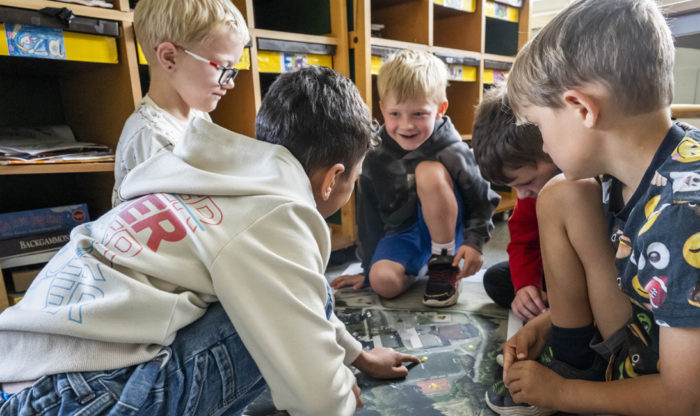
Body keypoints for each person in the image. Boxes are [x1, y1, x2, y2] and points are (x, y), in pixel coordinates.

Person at [0, 66, 420, 416]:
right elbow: (319, 400)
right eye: (354, 178)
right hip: (85, 399)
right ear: (332, 178)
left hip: (18, 382)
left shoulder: (209, 175)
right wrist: (339, 391)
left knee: (280, 290)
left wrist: (357, 357)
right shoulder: (277, 212)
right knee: (277, 306)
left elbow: (298, 298)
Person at [486, 0, 700, 415]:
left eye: (540, 126)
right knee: (561, 194)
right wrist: (550, 322)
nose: (542, 145)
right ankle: (576, 359)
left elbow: (686, 400)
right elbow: (644, 279)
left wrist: (561, 394)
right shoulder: (659, 156)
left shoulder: (689, 218)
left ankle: (582, 383)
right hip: (657, 330)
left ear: (582, 108)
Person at [330, 49, 499, 308]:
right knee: (382, 282)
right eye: (395, 114)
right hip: (404, 233)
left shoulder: (452, 150)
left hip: (450, 231)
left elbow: (482, 198)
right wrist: (368, 268)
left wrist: (474, 242)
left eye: (418, 114)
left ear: (440, 109)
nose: (406, 125)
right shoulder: (374, 155)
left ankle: (444, 263)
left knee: (428, 172)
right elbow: (369, 215)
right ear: (382, 108)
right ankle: (422, 267)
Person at [111, 0, 249, 206]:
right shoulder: (150, 136)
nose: (230, 83)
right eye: (222, 67)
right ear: (169, 58)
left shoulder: (196, 115)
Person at [472, 86, 558, 322]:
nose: (522, 195)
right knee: (496, 279)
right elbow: (523, 241)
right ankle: (548, 300)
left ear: (551, 149)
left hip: (592, 275)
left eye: (527, 182)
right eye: (514, 187)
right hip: (553, 271)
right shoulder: (530, 194)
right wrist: (525, 286)